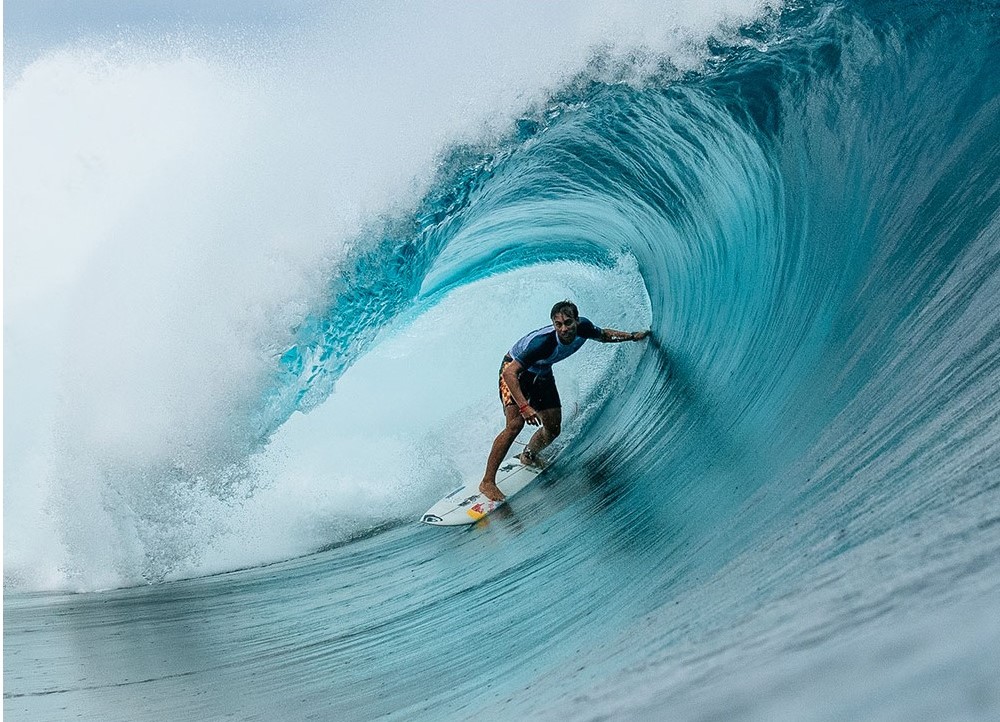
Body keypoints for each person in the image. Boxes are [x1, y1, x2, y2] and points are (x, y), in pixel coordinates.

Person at [479, 300, 651, 502]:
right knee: (515, 424)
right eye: (558, 324)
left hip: (542, 372)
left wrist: (631, 337)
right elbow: (510, 373)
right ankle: (487, 482)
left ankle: (529, 455)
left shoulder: (584, 327)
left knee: (552, 428)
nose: (564, 329)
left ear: (576, 320)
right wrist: (524, 406)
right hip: (514, 372)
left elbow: (603, 335)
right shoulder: (543, 343)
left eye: (568, 322)